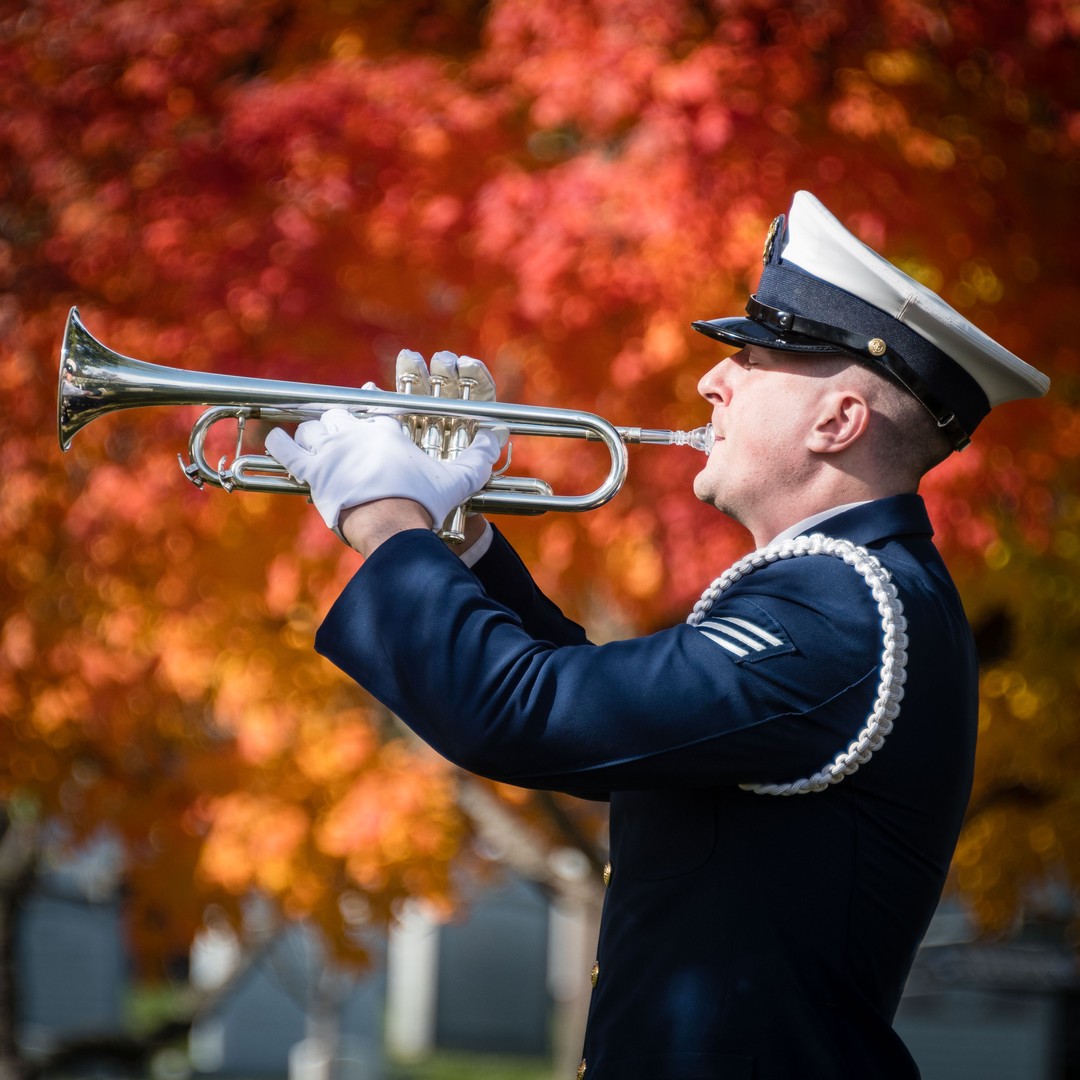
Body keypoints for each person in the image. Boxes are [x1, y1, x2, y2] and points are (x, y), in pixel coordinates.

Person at [265, 191, 1049, 1079]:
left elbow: (521, 715)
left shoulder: (843, 608)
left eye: (751, 360)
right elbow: (603, 710)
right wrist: (456, 540)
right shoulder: (849, 593)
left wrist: (385, 519)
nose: (713, 381)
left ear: (838, 421)